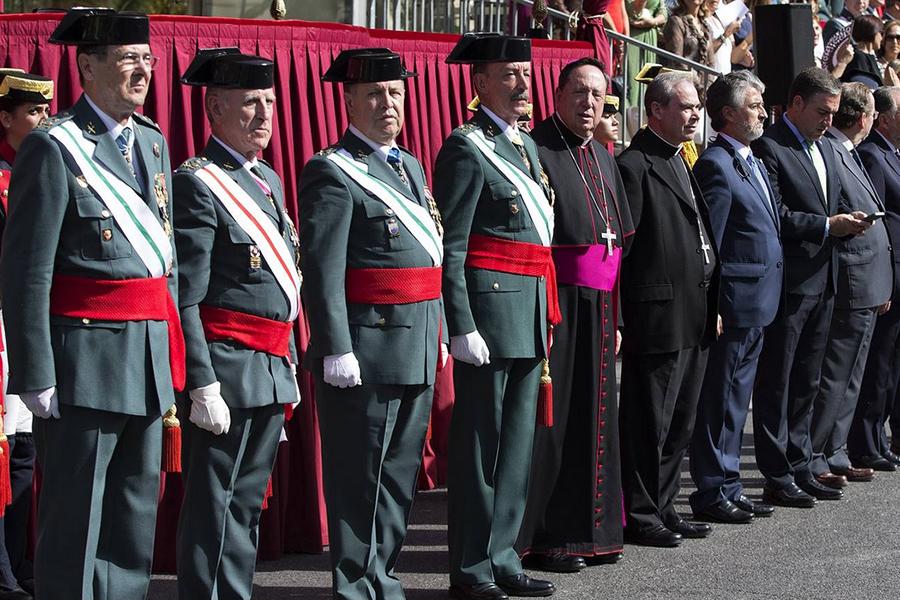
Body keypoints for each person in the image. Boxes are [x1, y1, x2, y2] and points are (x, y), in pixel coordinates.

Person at [0, 8, 181, 600]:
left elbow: (164, 263)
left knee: (132, 524)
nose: (142, 72)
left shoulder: (152, 143)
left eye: (147, 60)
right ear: (87, 66)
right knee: (75, 527)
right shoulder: (55, 148)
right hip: (81, 367)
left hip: (147, 360)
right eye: (129, 60)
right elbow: (26, 271)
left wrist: (173, 359)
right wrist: (35, 372)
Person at [298, 48, 446, 600]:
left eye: (396, 94)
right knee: (359, 479)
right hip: (364, 350)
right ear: (350, 100)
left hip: (416, 345)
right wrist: (333, 345)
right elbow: (322, 266)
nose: (388, 105)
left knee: (399, 478)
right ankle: (355, 585)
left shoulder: (407, 165)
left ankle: (383, 574)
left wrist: (442, 328)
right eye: (376, 95)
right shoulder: (331, 170)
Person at [172, 48, 302, 600]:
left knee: (245, 505)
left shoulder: (266, 178)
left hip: (270, 366)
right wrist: (201, 383)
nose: (265, 115)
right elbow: (188, 297)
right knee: (214, 506)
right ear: (215, 108)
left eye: (269, 103)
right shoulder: (198, 183)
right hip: (225, 367)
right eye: (250, 103)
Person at [435, 32, 557, 600]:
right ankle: (472, 568)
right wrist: (461, 325)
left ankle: (504, 555)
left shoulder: (527, 147)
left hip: (530, 313)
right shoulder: (466, 147)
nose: (522, 85)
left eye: (525, 75)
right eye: (509, 75)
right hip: (488, 316)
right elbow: (452, 245)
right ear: (480, 83)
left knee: (516, 448)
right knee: (481, 448)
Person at [516, 57, 632, 572]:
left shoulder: (604, 156)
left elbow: (617, 244)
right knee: (557, 423)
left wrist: (621, 316)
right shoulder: (536, 150)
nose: (590, 104)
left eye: (598, 96)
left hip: (603, 307)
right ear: (558, 94)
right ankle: (547, 537)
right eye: (580, 93)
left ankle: (593, 533)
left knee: (597, 416)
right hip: (557, 304)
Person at [751, 67, 870, 508]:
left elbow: (832, 201)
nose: (828, 121)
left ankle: (800, 464)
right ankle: (777, 472)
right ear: (796, 104)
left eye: (834, 113)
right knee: (778, 381)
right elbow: (776, 214)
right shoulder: (771, 147)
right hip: (791, 284)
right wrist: (826, 226)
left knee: (807, 380)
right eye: (822, 112)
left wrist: (849, 221)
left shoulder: (823, 149)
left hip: (825, 280)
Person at [616, 71, 720, 547]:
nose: (694, 114)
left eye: (697, 107)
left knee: (680, 419)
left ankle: (664, 503)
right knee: (648, 421)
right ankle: (640, 512)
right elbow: (626, 250)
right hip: (656, 313)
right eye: (685, 106)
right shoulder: (635, 164)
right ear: (656, 110)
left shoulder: (681, 157)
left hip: (694, 310)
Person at [688, 70, 782, 524]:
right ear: (728, 113)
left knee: (736, 397)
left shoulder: (750, 158)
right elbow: (714, 245)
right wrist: (716, 305)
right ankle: (711, 487)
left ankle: (729, 483)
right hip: (735, 302)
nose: (764, 111)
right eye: (755, 104)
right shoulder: (715, 163)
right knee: (720, 398)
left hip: (759, 299)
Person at [808, 82, 893, 487]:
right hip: (850, 280)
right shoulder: (833, 152)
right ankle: (819, 453)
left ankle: (836, 451)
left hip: (868, 281)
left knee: (853, 375)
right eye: (874, 114)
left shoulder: (848, 152)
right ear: (862, 117)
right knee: (836, 375)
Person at [0, 68, 52, 600]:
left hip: (24, 327)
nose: (42, 119)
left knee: (22, 453)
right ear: (5, 118)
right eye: (33, 112)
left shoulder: (38, 173)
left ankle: (17, 561)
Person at [850, 85, 900, 468]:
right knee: (878, 361)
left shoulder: (891, 153)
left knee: (892, 362)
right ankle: (866, 441)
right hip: (890, 271)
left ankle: (882, 439)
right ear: (883, 117)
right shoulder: (871, 154)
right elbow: (877, 223)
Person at [625, 0, 667, 108]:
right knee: (632, 82)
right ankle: (630, 118)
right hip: (632, 36)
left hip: (650, 39)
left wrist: (653, 22)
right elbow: (634, 12)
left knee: (649, 82)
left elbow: (663, 14)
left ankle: (645, 117)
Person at [660, 0, 714, 70]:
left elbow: (711, 63)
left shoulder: (706, 27)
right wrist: (694, 79)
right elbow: (677, 61)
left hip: (704, 79)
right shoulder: (676, 22)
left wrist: (708, 80)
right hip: (681, 78)